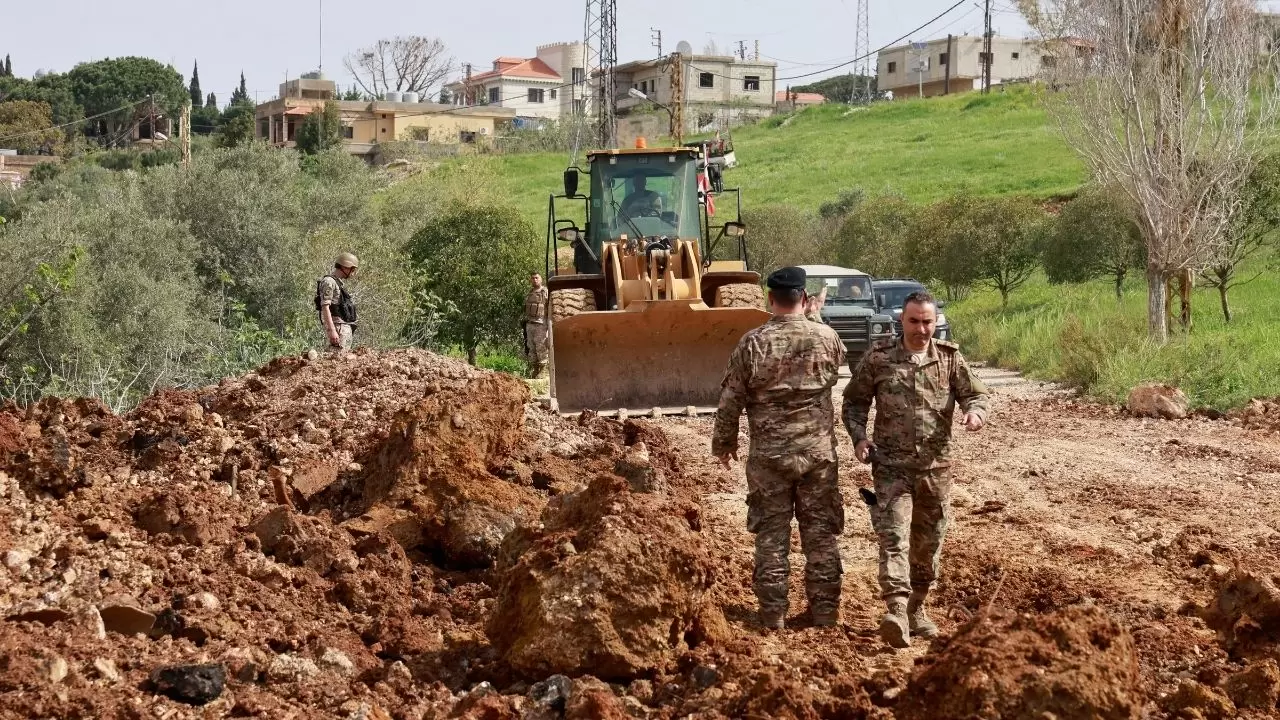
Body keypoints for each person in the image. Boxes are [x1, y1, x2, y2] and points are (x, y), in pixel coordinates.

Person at [842, 290, 989, 648]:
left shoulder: (950, 359)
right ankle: (895, 609)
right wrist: (859, 438)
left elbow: (976, 394)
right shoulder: (878, 359)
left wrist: (976, 413)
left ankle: (917, 610)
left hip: (936, 468)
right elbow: (854, 402)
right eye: (914, 321)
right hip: (891, 467)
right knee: (893, 537)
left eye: (928, 321)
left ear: (936, 321)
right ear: (901, 321)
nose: (922, 329)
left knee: (928, 543)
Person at [712, 266, 847, 630]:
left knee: (771, 538)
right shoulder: (828, 338)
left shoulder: (752, 343)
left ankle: (773, 614)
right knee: (820, 535)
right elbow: (835, 365)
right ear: (803, 298)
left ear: (769, 299)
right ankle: (825, 612)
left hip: (769, 457)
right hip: (818, 455)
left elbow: (730, 400)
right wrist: (814, 318)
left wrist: (723, 444)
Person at [316, 252, 359, 352]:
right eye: (352, 269)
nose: (353, 273)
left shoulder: (337, 283)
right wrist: (332, 331)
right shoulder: (329, 282)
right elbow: (325, 307)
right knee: (335, 362)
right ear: (345, 267)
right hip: (338, 329)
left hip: (342, 328)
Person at [523, 272, 550, 377]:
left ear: (541, 279)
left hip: (541, 324)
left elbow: (550, 307)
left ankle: (543, 371)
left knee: (541, 347)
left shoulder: (546, 292)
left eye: (536, 278)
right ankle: (534, 370)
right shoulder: (529, 292)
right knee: (531, 347)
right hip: (530, 324)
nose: (535, 280)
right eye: (533, 278)